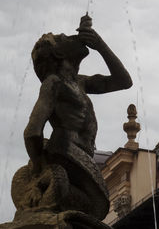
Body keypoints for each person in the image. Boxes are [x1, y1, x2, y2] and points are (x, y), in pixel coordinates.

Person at [19, 15, 132, 219]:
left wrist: (100, 45)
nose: (73, 37)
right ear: (59, 54)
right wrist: (38, 173)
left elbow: (123, 81)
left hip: (81, 156)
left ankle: (49, 197)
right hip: (65, 151)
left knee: (91, 209)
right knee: (96, 205)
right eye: (65, 37)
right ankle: (45, 188)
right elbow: (32, 131)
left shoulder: (80, 83)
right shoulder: (53, 83)